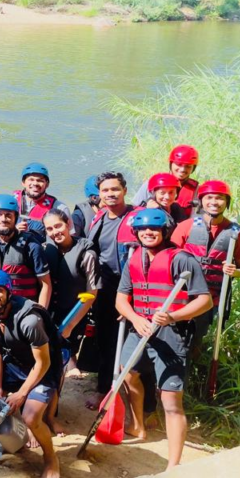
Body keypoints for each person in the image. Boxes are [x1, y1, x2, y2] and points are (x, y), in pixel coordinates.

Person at [115, 209, 212, 470]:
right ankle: (138, 426)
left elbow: (205, 301)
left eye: (154, 229)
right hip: (141, 328)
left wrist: (172, 316)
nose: (148, 233)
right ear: (136, 233)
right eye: (143, 229)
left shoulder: (182, 260)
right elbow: (121, 299)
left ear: (164, 231)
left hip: (172, 333)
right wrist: (135, 318)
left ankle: (173, 464)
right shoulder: (134, 259)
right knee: (128, 373)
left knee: (170, 399)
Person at [0, 269, 64, 478]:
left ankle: (51, 458)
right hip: (13, 364)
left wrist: (22, 394)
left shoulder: (29, 320)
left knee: (31, 417)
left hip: (42, 369)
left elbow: (43, 363)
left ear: (8, 292)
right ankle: (10, 441)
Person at [85, 172, 140, 408]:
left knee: (130, 340)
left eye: (115, 189)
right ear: (99, 194)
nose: (110, 194)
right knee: (105, 338)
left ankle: (133, 393)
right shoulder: (99, 218)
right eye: (105, 190)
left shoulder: (137, 217)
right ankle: (104, 389)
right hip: (104, 287)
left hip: (130, 288)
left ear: (125, 190)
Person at [171, 180, 240, 341]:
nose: (214, 202)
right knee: (176, 338)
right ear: (201, 201)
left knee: (197, 339)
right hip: (183, 293)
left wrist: (234, 271)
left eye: (220, 198)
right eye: (209, 197)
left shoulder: (236, 233)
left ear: (227, 202)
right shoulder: (186, 226)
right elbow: (169, 260)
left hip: (212, 298)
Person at [42, 209, 100, 375]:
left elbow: (92, 293)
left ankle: (71, 362)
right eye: (49, 229)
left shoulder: (87, 254)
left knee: (67, 347)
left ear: (68, 224)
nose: (55, 232)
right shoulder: (44, 250)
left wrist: (71, 325)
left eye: (58, 226)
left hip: (74, 312)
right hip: (50, 310)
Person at [0, 194, 52, 306]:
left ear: (15, 218)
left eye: (8, 215)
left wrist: (40, 312)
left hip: (23, 309)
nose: (3, 219)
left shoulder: (31, 246)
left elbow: (46, 285)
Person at [132, 144, 200, 211]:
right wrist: (146, 208)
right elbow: (133, 210)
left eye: (188, 166)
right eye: (179, 164)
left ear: (193, 168)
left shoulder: (196, 190)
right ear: (171, 164)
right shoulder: (153, 183)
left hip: (182, 218)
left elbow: (200, 214)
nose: (183, 169)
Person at [14, 163, 70, 240]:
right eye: (31, 179)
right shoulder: (11, 203)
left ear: (47, 184)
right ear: (23, 183)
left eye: (40, 180)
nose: (35, 183)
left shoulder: (59, 208)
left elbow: (69, 238)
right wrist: (13, 231)